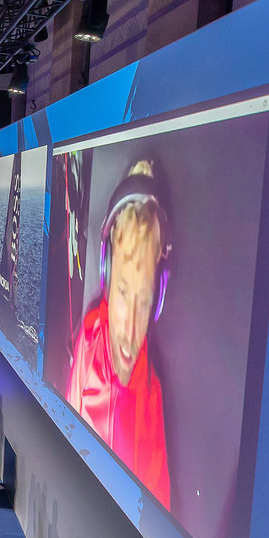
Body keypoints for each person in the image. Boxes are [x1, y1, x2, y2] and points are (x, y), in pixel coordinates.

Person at [65, 161, 172, 508]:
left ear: (159, 300)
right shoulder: (90, 336)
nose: (129, 332)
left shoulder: (151, 394)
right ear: (106, 276)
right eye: (124, 293)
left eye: (144, 300)